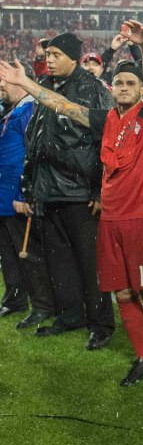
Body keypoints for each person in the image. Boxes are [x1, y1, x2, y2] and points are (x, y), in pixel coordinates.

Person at [0, 20, 143, 387]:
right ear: (111, 89)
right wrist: (26, 85)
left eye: (131, 83)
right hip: (111, 221)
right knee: (124, 292)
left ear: (142, 89)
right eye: (119, 83)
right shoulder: (105, 118)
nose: (124, 88)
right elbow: (63, 105)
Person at [22, 32, 115, 350]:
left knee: (91, 263)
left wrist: (99, 190)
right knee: (60, 262)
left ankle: (101, 323)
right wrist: (32, 184)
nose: (49, 58)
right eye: (47, 53)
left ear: (74, 58)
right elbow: (37, 138)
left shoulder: (91, 88)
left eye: (56, 54)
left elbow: (105, 140)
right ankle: (71, 315)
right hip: (48, 190)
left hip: (80, 192)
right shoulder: (46, 87)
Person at [0, 66, 51, 327]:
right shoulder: (11, 110)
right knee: (8, 254)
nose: (1, 87)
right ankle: (15, 299)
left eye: (3, 82)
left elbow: (33, 154)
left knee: (28, 252)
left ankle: (43, 304)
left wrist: (25, 192)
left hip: (18, 196)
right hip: (3, 196)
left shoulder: (29, 110)